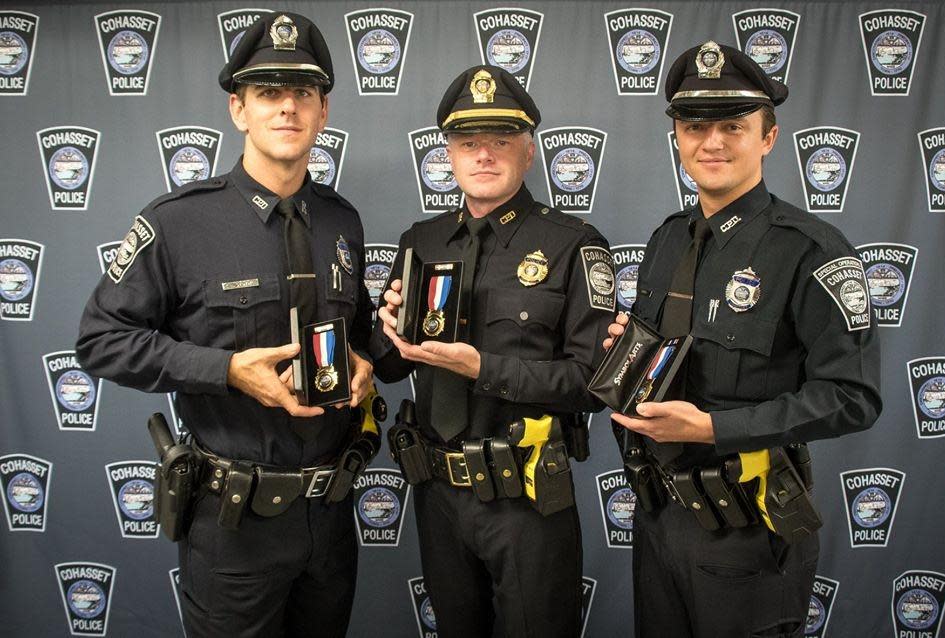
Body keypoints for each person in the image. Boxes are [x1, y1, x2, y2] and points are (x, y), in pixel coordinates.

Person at [76, 12, 375, 638]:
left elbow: (357, 331)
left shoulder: (341, 222)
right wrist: (226, 371)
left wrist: (368, 362)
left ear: (324, 112)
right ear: (239, 109)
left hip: (331, 515)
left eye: (303, 94)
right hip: (234, 525)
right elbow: (101, 340)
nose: (287, 108)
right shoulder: (180, 223)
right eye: (268, 93)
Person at [603, 41, 882, 638]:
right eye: (696, 126)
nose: (714, 142)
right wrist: (629, 353)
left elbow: (852, 397)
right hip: (659, 519)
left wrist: (712, 429)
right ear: (677, 137)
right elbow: (668, 356)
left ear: (768, 138)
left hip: (750, 531)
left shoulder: (810, 250)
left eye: (735, 125)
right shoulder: (667, 240)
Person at [373, 65, 614, 637]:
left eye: (501, 141)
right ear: (449, 155)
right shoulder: (420, 240)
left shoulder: (574, 243)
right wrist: (384, 332)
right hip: (438, 495)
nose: (484, 155)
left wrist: (483, 370)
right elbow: (387, 366)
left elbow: (591, 383)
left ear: (528, 151)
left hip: (526, 499)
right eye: (469, 142)